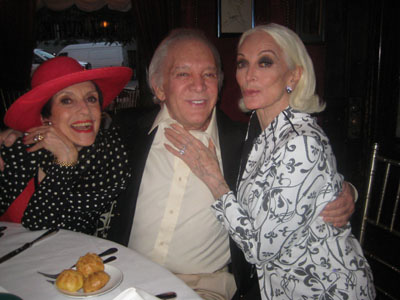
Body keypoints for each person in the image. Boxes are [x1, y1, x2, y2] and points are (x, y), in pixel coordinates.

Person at [0, 29, 355, 300]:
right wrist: (25, 130)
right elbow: (77, 134)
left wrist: (347, 190)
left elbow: (306, 164)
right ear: (159, 87)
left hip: (205, 288)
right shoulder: (125, 133)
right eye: (183, 74)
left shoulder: (245, 142)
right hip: (124, 277)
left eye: (210, 74)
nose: (199, 86)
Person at [163, 24, 375, 299]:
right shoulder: (258, 129)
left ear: (294, 75)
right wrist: (341, 187)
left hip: (326, 290)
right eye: (242, 63)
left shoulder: (300, 141)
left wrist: (213, 178)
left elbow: (259, 249)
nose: (249, 75)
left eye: (265, 62)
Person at [0, 56, 132, 235]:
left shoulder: (109, 156)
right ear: (45, 118)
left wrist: (65, 161)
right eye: (67, 101)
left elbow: (45, 230)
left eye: (91, 99)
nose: (85, 110)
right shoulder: (22, 147)